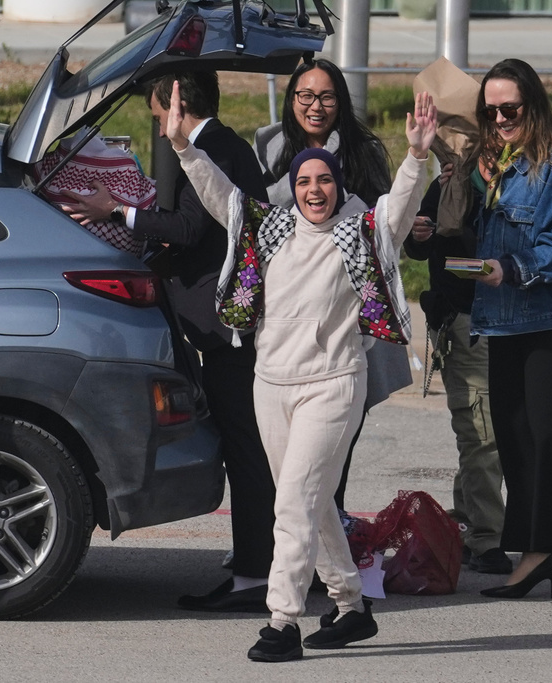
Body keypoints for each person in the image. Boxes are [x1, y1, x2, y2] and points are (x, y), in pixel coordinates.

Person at [166, 80, 436, 662]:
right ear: (295, 188)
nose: (315, 190)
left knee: (291, 504)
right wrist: (186, 149)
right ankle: (350, 608)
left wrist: (416, 156)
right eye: (306, 181)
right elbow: (222, 198)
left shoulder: (359, 233)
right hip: (272, 386)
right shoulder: (271, 229)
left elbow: (400, 207)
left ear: (339, 189)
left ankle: (282, 621)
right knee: (307, 502)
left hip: (333, 386)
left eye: (326, 182)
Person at [59, 72, 275, 613]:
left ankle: (255, 576)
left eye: (158, 114)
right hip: (225, 321)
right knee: (247, 447)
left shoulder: (210, 152)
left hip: (227, 326)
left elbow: (187, 230)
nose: (157, 125)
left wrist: (117, 212)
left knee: (246, 450)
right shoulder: (225, 143)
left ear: (175, 106)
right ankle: (259, 567)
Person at [467, 58, 552, 601]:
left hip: (550, 320)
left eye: (510, 109)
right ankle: (536, 553)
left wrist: (513, 269)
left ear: (533, 107)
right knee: (516, 439)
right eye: (491, 110)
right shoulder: (497, 168)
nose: (500, 118)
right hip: (502, 321)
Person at [254, 58, 413, 512]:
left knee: (329, 459)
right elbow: (255, 216)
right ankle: (302, 553)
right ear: (291, 101)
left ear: (340, 102)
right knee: (287, 462)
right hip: (286, 328)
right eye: (305, 96)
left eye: (326, 97)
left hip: (345, 327)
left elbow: (385, 228)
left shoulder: (363, 151)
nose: (315, 106)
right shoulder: (268, 145)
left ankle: (324, 550)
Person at [403, 170, 510, 575]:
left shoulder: (528, 177)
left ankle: (466, 520)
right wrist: (420, 233)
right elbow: (429, 255)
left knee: (496, 430)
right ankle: (487, 537)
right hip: (466, 321)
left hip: (519, 320)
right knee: (481, 432)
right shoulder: (449, 184)